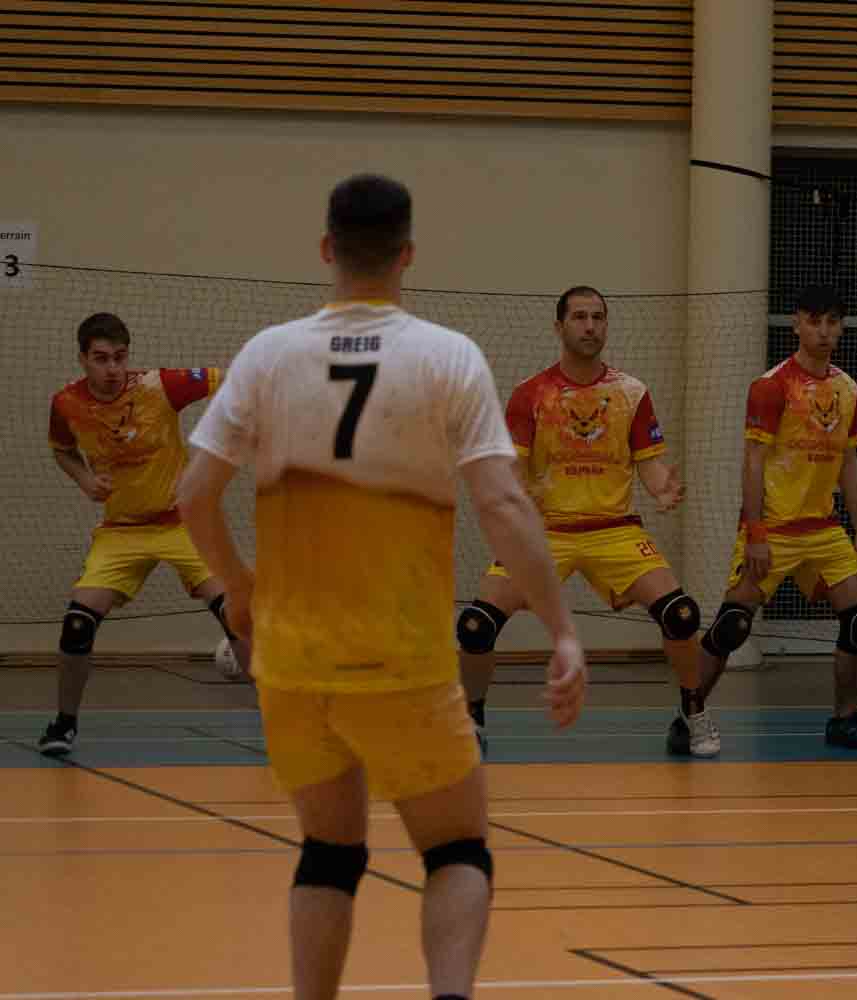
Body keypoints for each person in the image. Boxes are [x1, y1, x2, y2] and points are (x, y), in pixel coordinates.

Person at [177, 173, 587, 1000]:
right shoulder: (447, 357)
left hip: (293, 663)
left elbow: (192, 495)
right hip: (403, 663)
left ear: (327, 248)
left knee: (328, 853)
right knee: (456, 850)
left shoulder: (268, 355)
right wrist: (562, 628)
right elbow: (504, 505)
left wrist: (240, 588)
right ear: (407, 254)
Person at [456, 285, 716, 757]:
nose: (590, 326)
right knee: (475, 626)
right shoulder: (531, 394)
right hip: (547, 532)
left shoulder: (631, 392)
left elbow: (650, 465)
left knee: (682, 615)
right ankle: (472, 720)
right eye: (579, 317)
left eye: (598, 317)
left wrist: (662, 487)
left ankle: (691, 713)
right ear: (559, 327)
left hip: (615, 530)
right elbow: (514, 470)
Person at [694, 283, 857, 751]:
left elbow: (849, 462)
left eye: (832, 322)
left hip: (824, 529)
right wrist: (756, 531)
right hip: (775, 529)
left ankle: (844, 720)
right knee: (732, 626)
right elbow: (752, 462)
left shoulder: (848, 388)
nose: (823, 331)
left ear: (841, 328)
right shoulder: (772, 386)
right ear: (796, 324)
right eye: (814, 321)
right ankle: (689, 716)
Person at [40, 312, 251, 757]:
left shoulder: (160, 387)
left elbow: (233, 378)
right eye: (101, 358)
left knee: (237, 614)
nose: (112, 368)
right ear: (83, 359)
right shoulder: (66, 404)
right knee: (77, 625)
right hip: (121, 532)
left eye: (120, 357)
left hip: (181, 524)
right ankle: (63, 724)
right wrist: (84, 479)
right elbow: (62, 450)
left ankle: (279, 718)